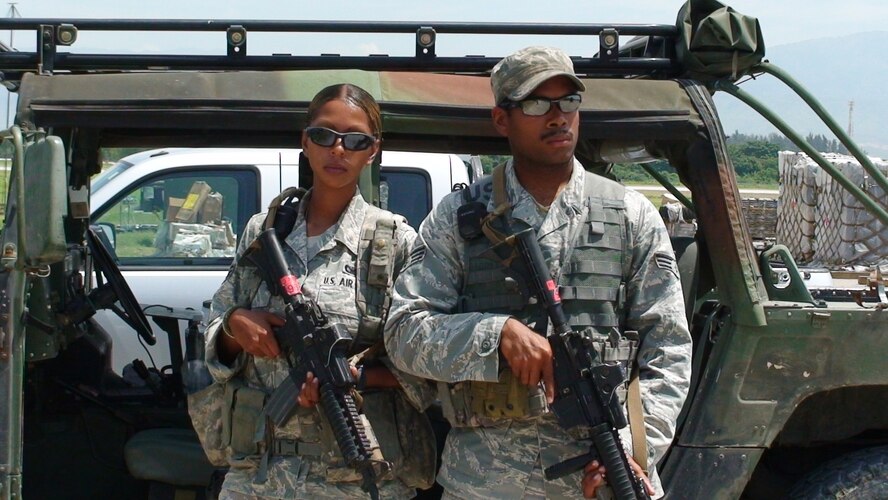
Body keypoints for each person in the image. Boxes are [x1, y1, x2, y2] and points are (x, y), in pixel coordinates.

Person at [384, 46, 692, 499]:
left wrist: (630, 449)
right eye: (535, 104)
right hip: (486, 483)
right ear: (502, 120)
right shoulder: (461, 218)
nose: (557, 116)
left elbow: (668, 348)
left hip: (604, 478)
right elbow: (404, 333)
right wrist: (496, 335)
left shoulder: (630, 216)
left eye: (568, 102)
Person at [203, 83, 435, 499]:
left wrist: (356, 376)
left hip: (354, 478)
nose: (338, 150)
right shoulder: (265, 231)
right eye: (325, 135)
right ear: (305, 142)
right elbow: (215, 329)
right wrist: (236, 327)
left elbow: (423, 366)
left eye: (355, 140)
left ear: (373, 150)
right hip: (259, 473)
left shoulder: (394, 240)